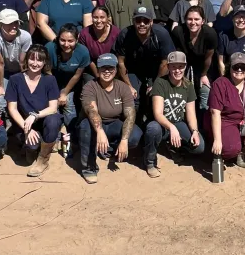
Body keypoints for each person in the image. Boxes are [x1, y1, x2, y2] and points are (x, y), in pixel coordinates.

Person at [79, 53, 141, 184]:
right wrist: (100, 131)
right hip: (92, 124)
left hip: (114, 123)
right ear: (98, 69)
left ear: (116, 70)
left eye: (110, 68)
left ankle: (106, 149)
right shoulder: (90, 86)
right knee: (85, 128)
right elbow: (92, 111)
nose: (107, 71)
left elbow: (130, 114)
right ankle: (89, 168)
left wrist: (124, 140)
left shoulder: (123, 87)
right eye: (103, 68)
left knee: (135, 135)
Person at [144, 52, 205, 178]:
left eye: (181, 67)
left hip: (179, 122)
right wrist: (172, 127)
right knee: (152, 129)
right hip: (162, 123)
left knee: (199, 147)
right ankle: (150, 162)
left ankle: (174, 147)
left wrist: (194, 131)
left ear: (185, 67)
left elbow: (191, 113)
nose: (177, 70)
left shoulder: (188, 85)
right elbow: (158, 113)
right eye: (174, 67)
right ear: (168, 67)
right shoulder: (160, 83)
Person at [5, 45, 62, 177]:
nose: (35, 63)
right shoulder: (15, 80)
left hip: (43, 122)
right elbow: (12, 109)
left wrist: (34, 116)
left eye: (39, 60)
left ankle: (43, 159)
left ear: (44, 63)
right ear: (26, 60)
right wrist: (27, 129)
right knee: (29, 157)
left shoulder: (50, 80)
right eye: (32, 59)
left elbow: (53, 108)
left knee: (54, 120)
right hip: (23, 124)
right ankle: (39, 144)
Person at [113, 6, 175, 121]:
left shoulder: (161, 34)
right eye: (138, 20)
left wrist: (156, 84)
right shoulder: (125, 34)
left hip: (155, 70)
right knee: (132, 98)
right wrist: (129, 86)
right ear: (133, 21)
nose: (142, 24)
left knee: (154, 96)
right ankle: (132, 128)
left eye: (146, 21)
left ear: (151, 22)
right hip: (133, 69)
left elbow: (165, 63)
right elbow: (120, 62)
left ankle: (152, 127)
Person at [171, 6, 218, 122]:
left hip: (204, 66)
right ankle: (181, 121)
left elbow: (209, 57)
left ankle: (205, 123)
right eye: (189, 19)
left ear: (203, 21)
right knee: (181, 91)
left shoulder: (210, 34)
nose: (193, 23)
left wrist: (203, 74)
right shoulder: (178, 32)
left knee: (205, 91)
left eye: (196, 19)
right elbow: (174, 55)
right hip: (183, 65)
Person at [0, 9, 32, 122]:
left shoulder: (25, 36)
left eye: (15, 23)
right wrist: (0, 86)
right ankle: (1, 126)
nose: (13, 27)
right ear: (0, 25)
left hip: (21, 70)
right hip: (5, 72)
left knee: (25, 96)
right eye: (9, 24)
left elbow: (23, 61)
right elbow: (0, 63)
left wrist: (25, 81)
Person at [45, 24, 90, 133]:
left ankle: (72, 135)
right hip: (50, 81)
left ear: (77, 39)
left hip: (69, 83)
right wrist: (55, 93)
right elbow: (47, 71)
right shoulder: (50, 48)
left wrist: (64, 93)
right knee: (51, 106)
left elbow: (77, 75)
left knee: (68, 105)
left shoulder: (83, 52)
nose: (66, 44)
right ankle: (52, 134)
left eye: (70, 41)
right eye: (62, 40)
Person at [217, 5, 245, 77]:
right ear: (232, 19)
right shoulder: (223, 36)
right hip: (228, 74)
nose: (241, 20)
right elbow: (221, 62)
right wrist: (224, 80)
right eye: (238, 16)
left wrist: (241, 81)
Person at [78, 6, 120, 79]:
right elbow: (87, 58)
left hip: (113, 69)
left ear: (108, 18)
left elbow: (119, 57)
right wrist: (98, 75)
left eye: (102, 17)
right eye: (95, 17)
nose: (98, 21)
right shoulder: (84, 33)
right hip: (93, 69)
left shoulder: (116, 33)